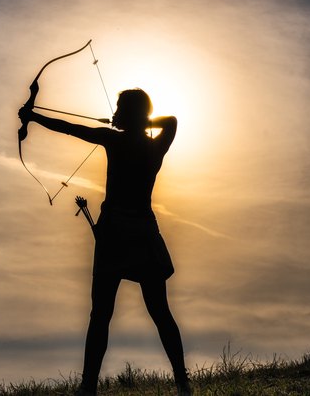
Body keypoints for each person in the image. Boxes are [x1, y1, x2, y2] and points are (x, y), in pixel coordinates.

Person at [18, 82, 191, 395]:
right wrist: (137, 122)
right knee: (159, 311)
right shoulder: (156, 145)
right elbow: (172, 121)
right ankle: (182, 383)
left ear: (130, 115)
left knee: (101, 314)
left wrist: (32, 117)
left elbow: (69, 128)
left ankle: (88, 388)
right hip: (142, 230)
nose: (114, 114)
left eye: (120, 110)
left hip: (116, 231)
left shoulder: (115, 140)